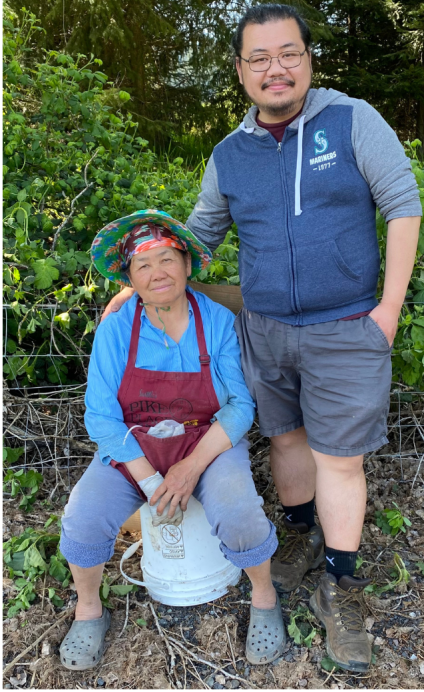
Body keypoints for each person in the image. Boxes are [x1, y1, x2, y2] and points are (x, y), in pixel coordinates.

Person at [102, 3, 422, 672]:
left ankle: (341, 582)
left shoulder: (353, 120)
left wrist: (387, 311)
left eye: (288, 54)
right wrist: (139, 284)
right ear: (242, 71)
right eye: (260, 58)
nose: (275, 68)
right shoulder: (228, 156)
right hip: (266, 330)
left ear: (308, 59)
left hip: (345, 327)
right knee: (285, 440)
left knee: (340, 459)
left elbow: (402, 204)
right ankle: (301, 536)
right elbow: (197, 240)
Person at [60, 210, 284, 670]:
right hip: (132, 447)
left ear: (186, 265)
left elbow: (241, 407)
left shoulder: (218, 322)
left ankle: (264, 596)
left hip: (208, 441)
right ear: (129, 278)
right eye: (143, 265)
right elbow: (100, 416)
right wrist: (147, 481)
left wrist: (189, 468)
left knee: (239, 512)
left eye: (166, 259)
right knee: (82, 519)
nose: (156, 272)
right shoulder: (117, 328)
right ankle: (89, 609)